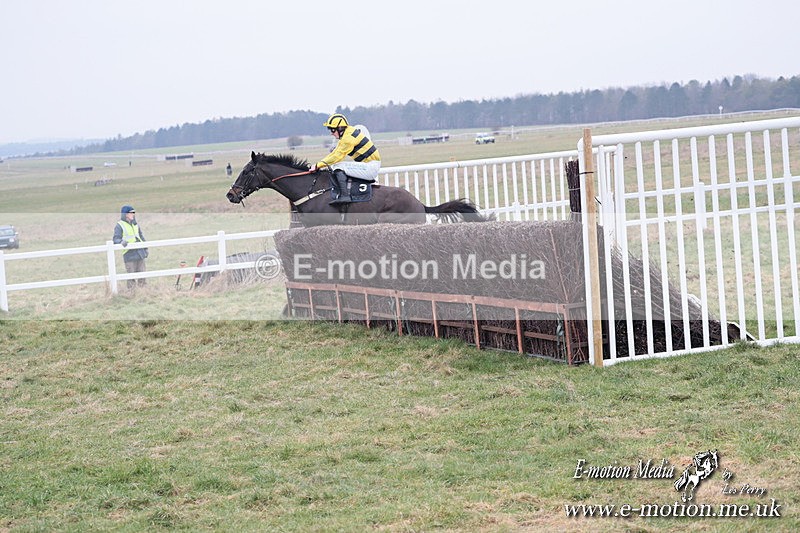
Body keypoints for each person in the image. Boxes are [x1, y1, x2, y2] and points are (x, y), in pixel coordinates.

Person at [309, 113, 381, 204]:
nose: (331, 133)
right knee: (336, 165)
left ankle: (345, 196)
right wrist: (318, 164)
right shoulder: (346, 134)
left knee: (338, 166)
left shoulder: (348, 138)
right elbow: (335, 153)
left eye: (332, 129)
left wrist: (318, 165)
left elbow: (337, 157)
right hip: (368, 165)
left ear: (340, 128)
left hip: (370, 167)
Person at [113, 205, 148, 289]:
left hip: (140, 253)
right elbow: (115, 239)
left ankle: (144, 293)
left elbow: (141, 237)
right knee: (131, 277)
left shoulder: (136, 224)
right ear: (125, 214)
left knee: (142, 275)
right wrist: (121, 242)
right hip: (129, 254)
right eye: (131, 213)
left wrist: (145, 248)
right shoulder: (119, 225)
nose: (133, 214)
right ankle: (131, 293)